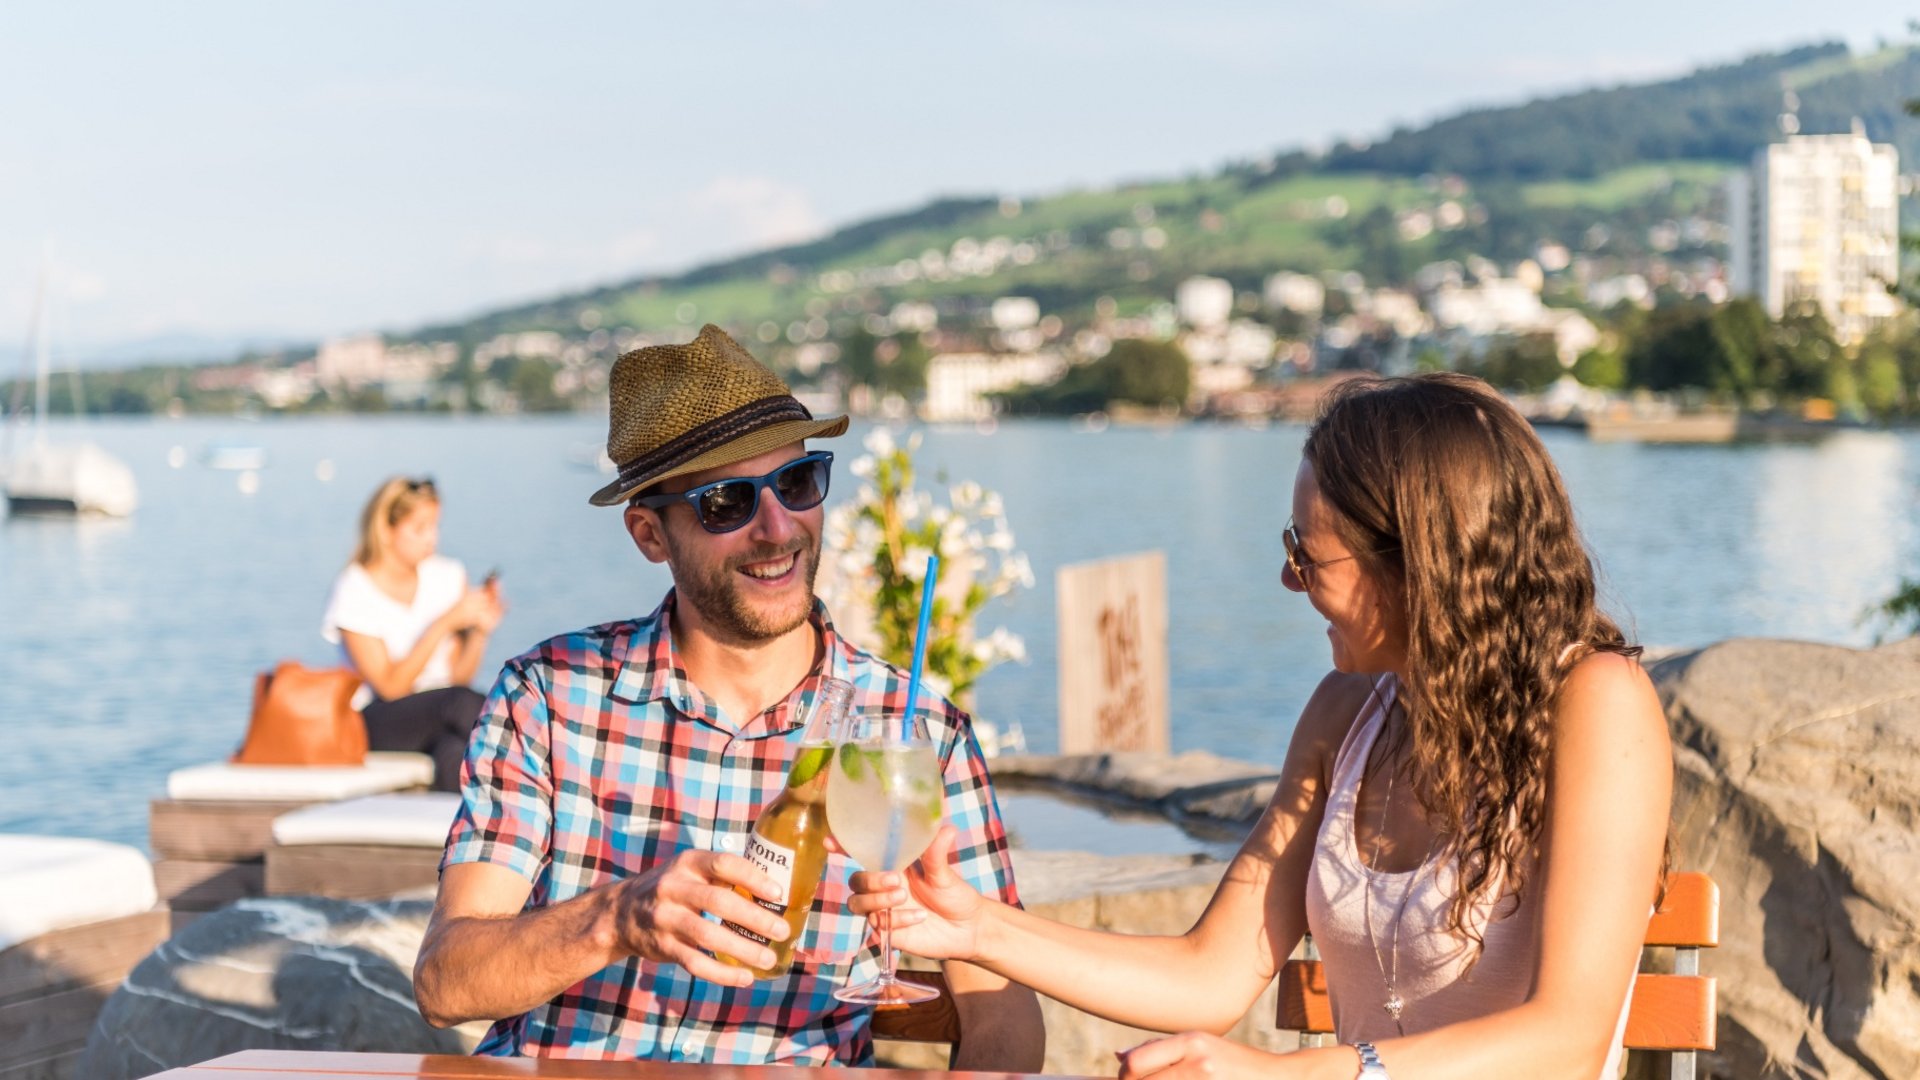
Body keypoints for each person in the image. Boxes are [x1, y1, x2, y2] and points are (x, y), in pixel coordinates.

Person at [852, 372, 1672, 1080]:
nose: (1288, 577)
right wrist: (977, 928)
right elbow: (1211, 974)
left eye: (1308, 555)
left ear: (1418, 561)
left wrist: (1290, 1072)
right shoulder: (1344, 715)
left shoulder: (1597, 702)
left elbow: (1567, 1038)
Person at [412, 324, 1044, 1068]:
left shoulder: (915, 733)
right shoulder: (548, 698)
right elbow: (446, 983)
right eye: (725, 503)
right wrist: (616, 918)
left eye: (798, 483)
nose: (778, 528)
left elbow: (1003, 1017)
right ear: (650, 534)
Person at [322, 475, 505, 791]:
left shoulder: (448, 575)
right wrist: (444, 624)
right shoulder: (355, 588)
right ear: (387, 531)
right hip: (377, 719)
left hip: (442, 710)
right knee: (462, 705)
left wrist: (479, 632)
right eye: (420, 529)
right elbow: (391, 687)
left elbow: (457, 677)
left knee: (454, 750)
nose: (431, 538)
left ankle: (453, 836)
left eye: (435, 526)